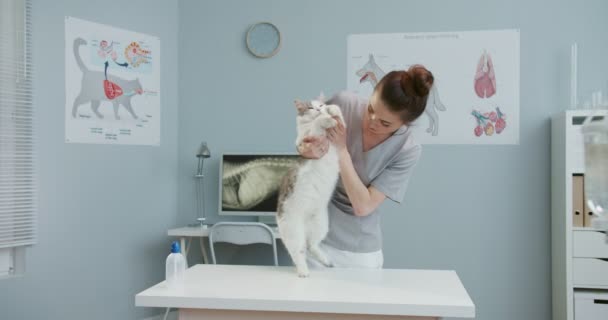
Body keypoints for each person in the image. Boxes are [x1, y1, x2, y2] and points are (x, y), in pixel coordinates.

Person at [297, 65, 434, 269]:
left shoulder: (407, 150)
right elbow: (305, 148)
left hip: (359, 251)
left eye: (385, 123)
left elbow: (363, 206)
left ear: (405, 123)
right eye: (370, 109)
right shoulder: (344, 104)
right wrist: (309, 148)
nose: (372, 121)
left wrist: (342, 151)